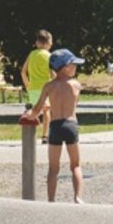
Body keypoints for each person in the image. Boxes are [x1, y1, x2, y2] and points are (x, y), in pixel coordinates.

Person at [21, 48, 85, 203]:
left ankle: (51, 199)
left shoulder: (48, 86)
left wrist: (27, 115)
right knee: (75, 165)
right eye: (73, 65)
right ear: (65, 67)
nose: (76, 68)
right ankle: (77, 197)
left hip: (55, 126)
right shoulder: (76, 85)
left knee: (53, 168)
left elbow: (37, 110)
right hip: (71, 125)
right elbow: (74, 104)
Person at [19, 29, 53, 144]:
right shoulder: (49, 56)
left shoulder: (32, 54)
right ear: (47, 43)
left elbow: (23, 71)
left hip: (33, 87)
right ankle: (45, 135)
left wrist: (27, 85)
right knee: (46, 110)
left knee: (35, 110)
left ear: (38, 42)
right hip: (46, 87)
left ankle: (30, 133)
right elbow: (53, 73)